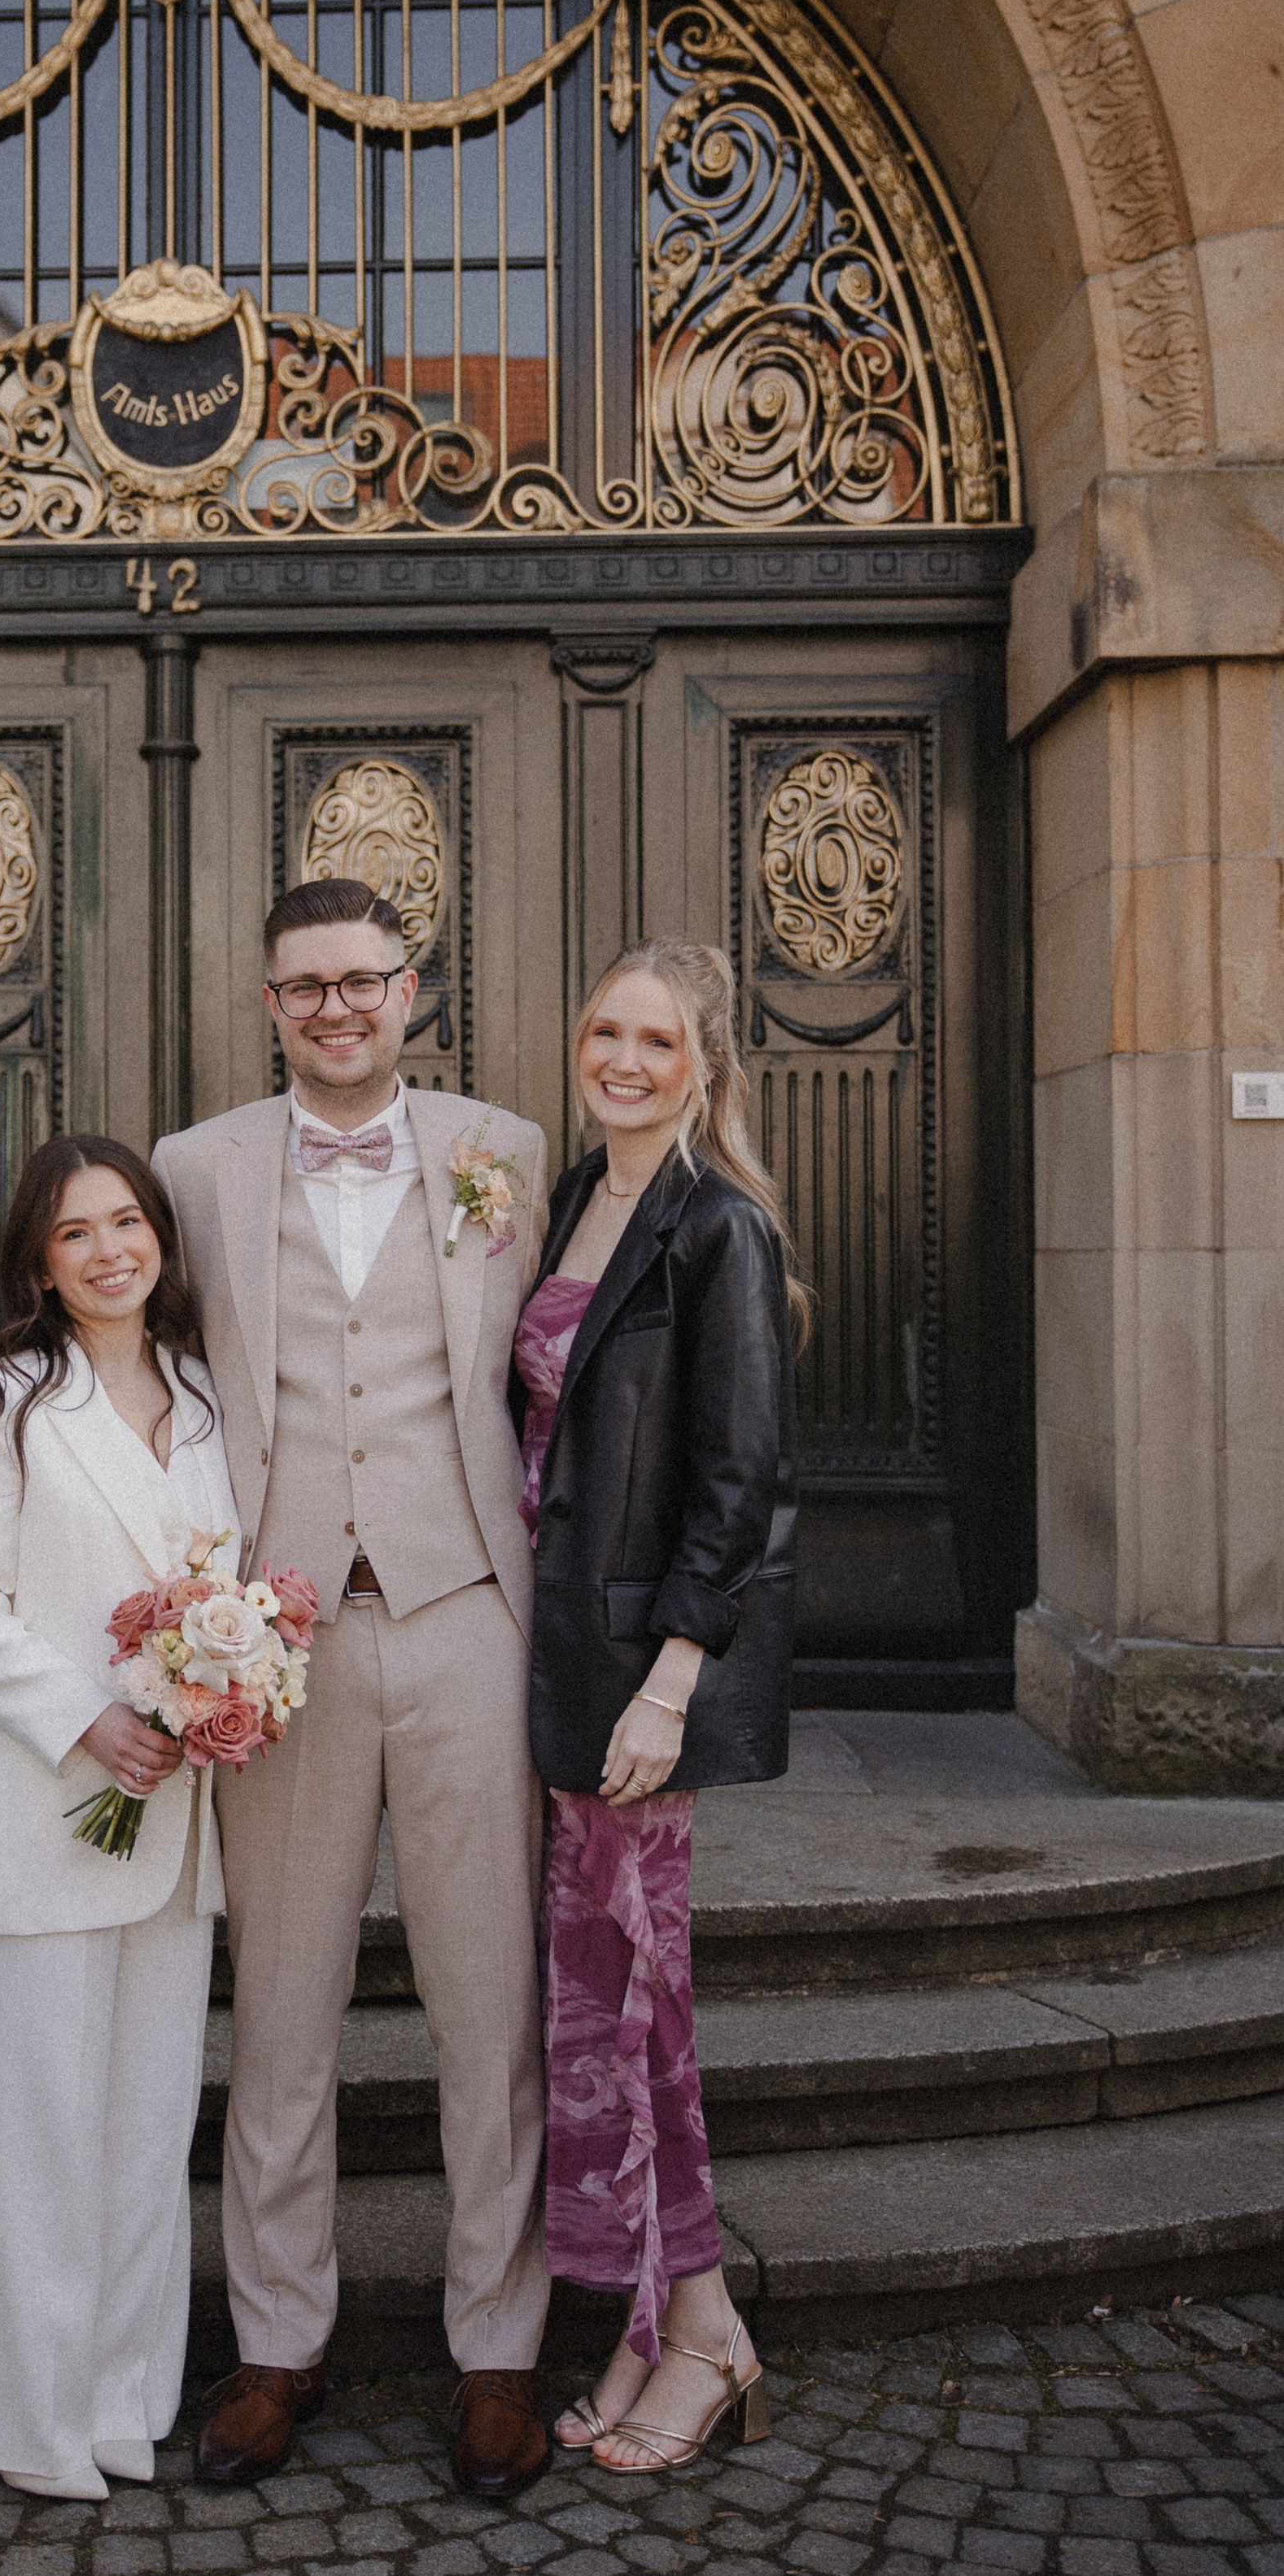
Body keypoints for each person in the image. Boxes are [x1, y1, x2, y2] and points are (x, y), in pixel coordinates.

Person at [154, 878, 552, 2500]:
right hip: (278, 1631)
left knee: (488, 2006)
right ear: (269, 1004)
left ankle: (500, 2350)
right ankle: (275, 2344)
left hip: (466, 1610)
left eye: (363, 980)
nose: (336, 1006)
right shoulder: (193, 1170)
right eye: (305, 986)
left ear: (409, 991)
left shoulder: (501, 1151)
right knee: (284, 2011)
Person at [517, 939, 800, 2474]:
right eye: (604, 1029)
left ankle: (705, 2330)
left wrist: (672, 1687)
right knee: (591, 2011)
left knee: (648, 2009)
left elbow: (741, 1486)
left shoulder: (719, 1228)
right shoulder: (572, 1196)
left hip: (640, 1685)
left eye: (656, 1039)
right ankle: (644, 2316)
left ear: (706, 1065)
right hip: (556, 1668)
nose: (622, 1059)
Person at [0, 1137, 232, 2502]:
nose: (110, 1251)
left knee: (147, 2131)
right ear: (39, 1267)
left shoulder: (209, 1398)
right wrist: (86, 1719)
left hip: (174, 1822)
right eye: (75, 1235)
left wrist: (225, 1685)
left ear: (160, 1233)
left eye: (127, 1223)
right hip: (51, 1807)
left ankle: (122, 2405)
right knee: (39, 2133)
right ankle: (21, 2416)